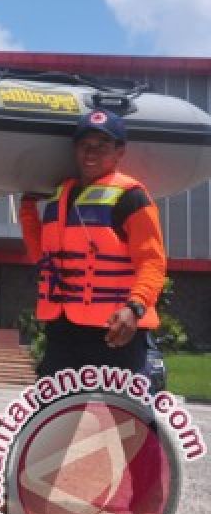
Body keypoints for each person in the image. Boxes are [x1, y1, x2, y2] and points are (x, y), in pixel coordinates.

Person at [19, 108, 166, 376]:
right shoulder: (59, 194)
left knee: (122, 416)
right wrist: (27, 208)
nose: (91, 153)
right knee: (53, 412)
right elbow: (43, 256)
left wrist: (134, 308)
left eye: (102, 146)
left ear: (119, 151)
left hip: (115, 329)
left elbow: (152, 262)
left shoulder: (132, 197)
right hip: (63, 329)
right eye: (84, 145)